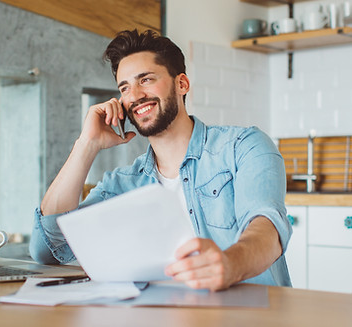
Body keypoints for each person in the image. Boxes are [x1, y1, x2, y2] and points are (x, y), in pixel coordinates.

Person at [29, 29, 292, 291]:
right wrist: (86, 145)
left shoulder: (242, 147)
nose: (135, 95)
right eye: (125, 87)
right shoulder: (121, 184)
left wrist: (231, 264)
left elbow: (268, 230)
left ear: (182, 84)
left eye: (145, 80)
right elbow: (48, 248)